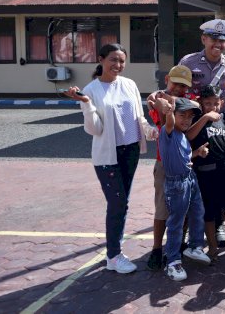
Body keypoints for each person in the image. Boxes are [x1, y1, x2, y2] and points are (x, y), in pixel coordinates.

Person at [66, 43, 158, 274]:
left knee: (122, 202)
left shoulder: (129, 85)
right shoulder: (91, 90)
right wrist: (86, 103)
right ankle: (113, 256)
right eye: (113, 60)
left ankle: (114, 250)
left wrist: (150, 131)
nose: (117, 65)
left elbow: (139, 116)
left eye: (121, 61)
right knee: (117, 203)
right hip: (108, 155)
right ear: (101, 60)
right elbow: (94, 129)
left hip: (131, 151)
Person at [186, 85, 225, 258]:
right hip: (206, 174)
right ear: (201, 104)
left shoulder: (224, 121)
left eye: (215, 103)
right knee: (210, 212)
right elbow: (189, 136)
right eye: (208, 104)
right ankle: (213, 247)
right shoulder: (197, 120)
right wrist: (205, 117)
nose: (212, 107)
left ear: (221, 103)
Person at [155, 96, 212, 281]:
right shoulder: (168, 131)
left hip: (190, 178)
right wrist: (170, 114)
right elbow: (169, 123)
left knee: (198, 212)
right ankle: (172, 261)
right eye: (182, 115)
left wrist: (197, 153)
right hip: (176, 184)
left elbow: (184, 157)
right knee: (176, 223)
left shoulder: (182, 136)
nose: (186, 120)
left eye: (190, 117)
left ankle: (194, 247)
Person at [145, 65, 192, 271]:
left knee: (184, 208)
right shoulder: (156, 101)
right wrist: (161, 103)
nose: (179, 88)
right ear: (167, 79)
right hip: (164, 163)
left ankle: (179, 245)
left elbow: (191, 119)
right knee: (162, 208)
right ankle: (157, 249)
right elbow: (165, 126)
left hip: (185, 162)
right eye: (176, 83)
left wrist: (169, 102)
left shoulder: (186, 102)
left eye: (183, 86)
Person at [178, 18, 225, 102]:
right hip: (194, 114)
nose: (218, 45)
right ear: (203, 39)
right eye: (214, 40)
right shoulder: (187, 62)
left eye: (222, 41)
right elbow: (175, 89)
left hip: (221, 114)